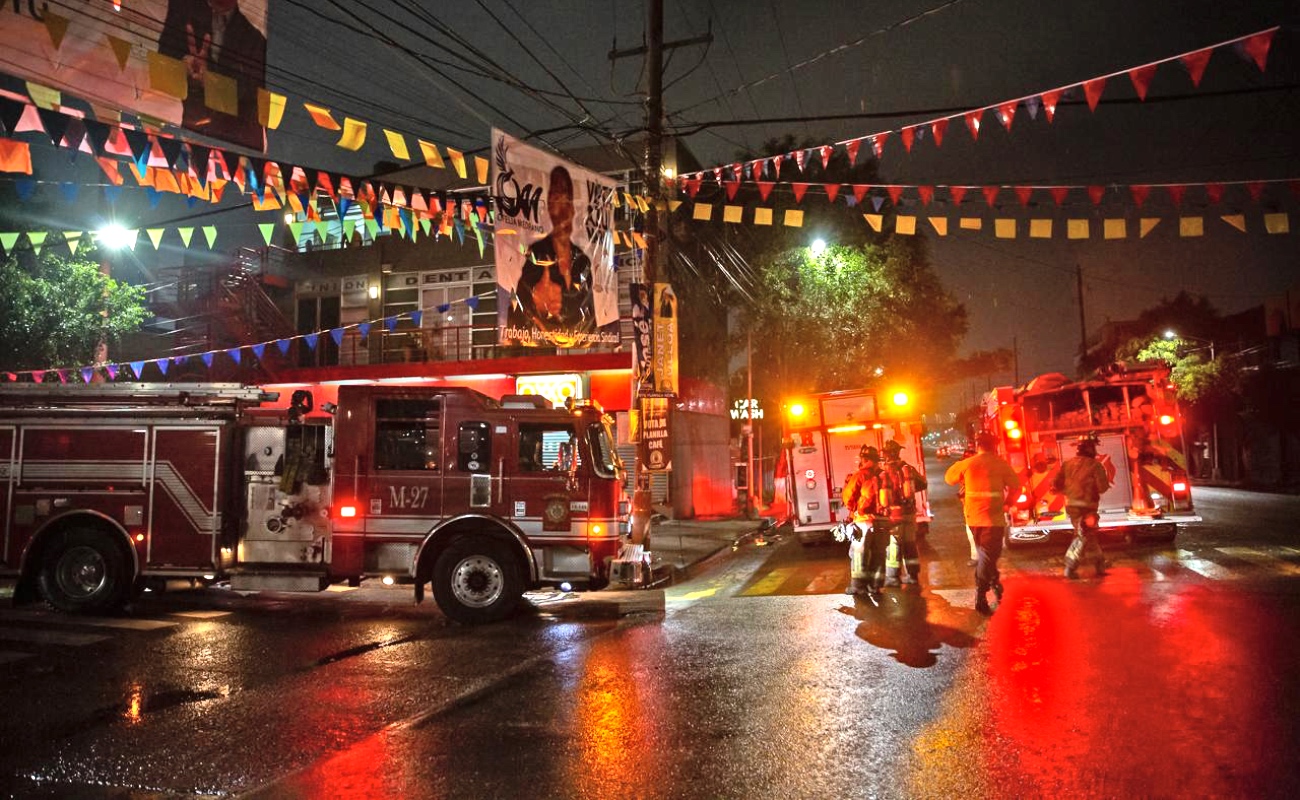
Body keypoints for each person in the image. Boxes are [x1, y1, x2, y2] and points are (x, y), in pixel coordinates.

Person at [158, 0, 267, 151]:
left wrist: (210, 82)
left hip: (238, 148)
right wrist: (183, 64)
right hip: (193, 136)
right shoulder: (182, 10)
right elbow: (161, 64)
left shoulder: (255, 40)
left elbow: (254, 94)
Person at [509, 166, 595, 334]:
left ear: (573, 210)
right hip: (540, 339)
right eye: (556, 199)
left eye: (567, 201)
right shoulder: (537, 254)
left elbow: (590, 311)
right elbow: (522, 301)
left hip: (576, 339)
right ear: (548, 208)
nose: (562, 209)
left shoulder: (582, 260)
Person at [945, 431, 1021, 615]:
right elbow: (1016, 486)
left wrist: (962, 470)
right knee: (988, 556)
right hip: (993, 519)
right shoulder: (1000, 464)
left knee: (986, 556)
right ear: (994, 446)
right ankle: (981, 596)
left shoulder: (967, 464)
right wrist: (1009, 503)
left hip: (972, 518)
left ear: (978, 446)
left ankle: (994, 583)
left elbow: (949, 479)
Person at [1056, 433, 1112, 578]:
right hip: (1088, 508)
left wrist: (1070, 490)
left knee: (1088, 535)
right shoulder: (1095, 465)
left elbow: (1056, 484)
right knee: (1083, 536)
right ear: (1091, 450)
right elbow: (1102, 487)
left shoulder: (1067, 464)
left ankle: (1099, 565)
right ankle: (1070, 566)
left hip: (1072, 506)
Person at [841, 445, 888, 599]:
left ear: (864, 459)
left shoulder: (860, 475)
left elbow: (848, 498)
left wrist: (853, 510)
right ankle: (876, 586)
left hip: (864, 521)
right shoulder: (884, 475)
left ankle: (858, 587)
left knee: (858, 553)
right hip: (883, 521)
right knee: (879, 554)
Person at [880, 439, 928, 587]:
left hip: (893, 514)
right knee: (910, 544)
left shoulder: (884, 472)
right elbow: (923, 483)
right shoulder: (908, 469)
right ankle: (913, 576)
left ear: (886, 454)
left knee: (894, 545)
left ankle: (893, 577)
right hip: (909, 513)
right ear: (898, 452)